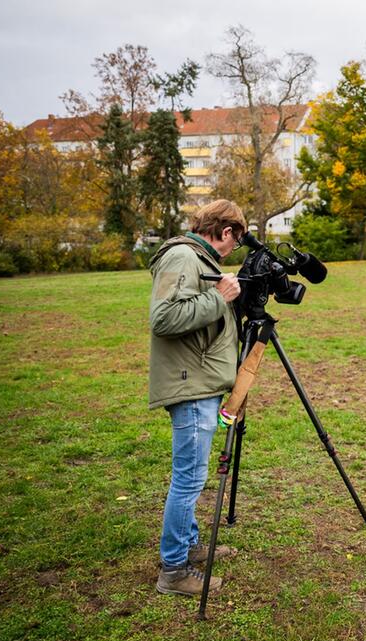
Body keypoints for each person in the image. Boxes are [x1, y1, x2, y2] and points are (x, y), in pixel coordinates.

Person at [148, 199, 246, 596]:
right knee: (189, 479)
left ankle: (189, 545)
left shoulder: (196, 259)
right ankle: (173, 571)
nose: (234, 250)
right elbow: (164, 318)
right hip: (191, 385)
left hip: (199, 380)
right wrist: (219, 297)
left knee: (191, 476)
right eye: (236, 242)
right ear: (226, 233)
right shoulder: (183, 257)